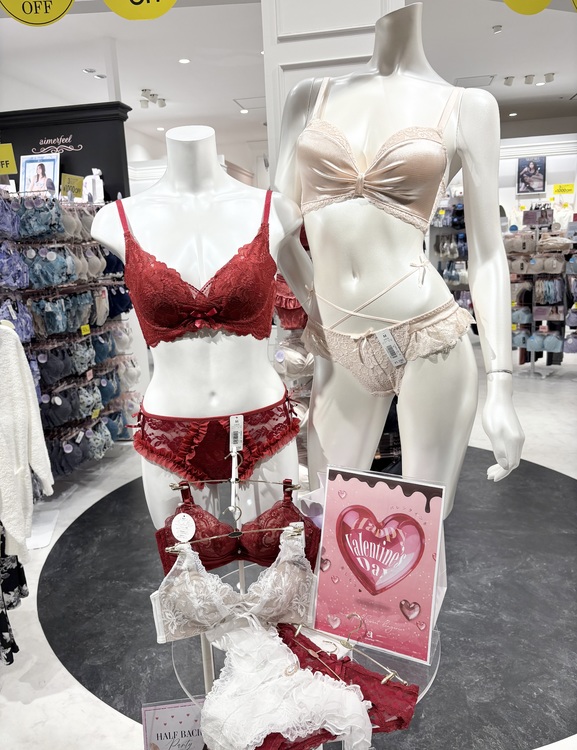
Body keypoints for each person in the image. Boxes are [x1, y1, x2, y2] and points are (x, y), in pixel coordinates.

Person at [274, 2, 524, 517]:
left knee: (419, 530)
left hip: (426, 337)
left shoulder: (468, 106)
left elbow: (488, 255)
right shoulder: (309, 97)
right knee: (330, 518)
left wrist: (501, 383)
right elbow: (277, 227)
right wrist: (311, 300)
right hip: (337, 343)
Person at [91, 125, 302, 528]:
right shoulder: (114, 219)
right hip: (171, 428)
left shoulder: (275, 209)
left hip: (261, 421)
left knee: (277, 559)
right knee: (185, 564)